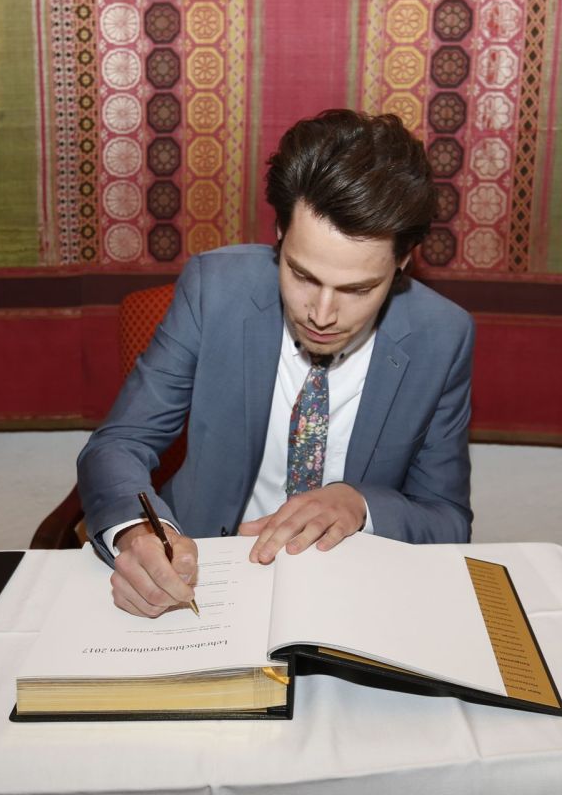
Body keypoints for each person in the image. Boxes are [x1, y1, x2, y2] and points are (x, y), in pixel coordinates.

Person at [77, 109, 475, 617]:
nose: (322, 314)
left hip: (352, 591)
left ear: (403, 259)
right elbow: (120, 443)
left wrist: (360, 505)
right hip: (205, 575)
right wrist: (137, 532)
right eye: (303, 275)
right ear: (281, 232)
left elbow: (448, 520)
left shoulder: (443, 336)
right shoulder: (214, 289)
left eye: (358, 289)